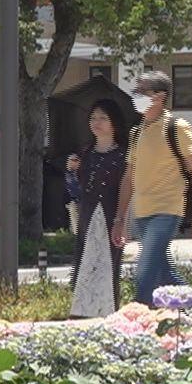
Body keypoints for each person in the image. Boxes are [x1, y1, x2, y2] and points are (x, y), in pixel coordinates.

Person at [115, 70, 192, 306]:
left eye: (141, 92)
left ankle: (137, 315)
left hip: (167, 210)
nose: (135, 96)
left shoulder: (177, 127)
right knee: (164, 273)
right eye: (135, 92)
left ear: (160, 96)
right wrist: (120, 219)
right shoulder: (137, 133)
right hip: (141, 214)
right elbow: (128, 178)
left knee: (145, 271)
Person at [66, 100, 128, 318]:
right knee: (86, 260)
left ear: (114, 123)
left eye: (102, 118)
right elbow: (76, 190)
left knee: (109, 262)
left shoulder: (123, 155)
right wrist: (72, 172)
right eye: (93, 118)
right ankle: (83, 310)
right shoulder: (86, 154)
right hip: (89, 215)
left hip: (111, 215)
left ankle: (109, 309)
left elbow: (127, 188)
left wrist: (122, 220)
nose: (96, 123)